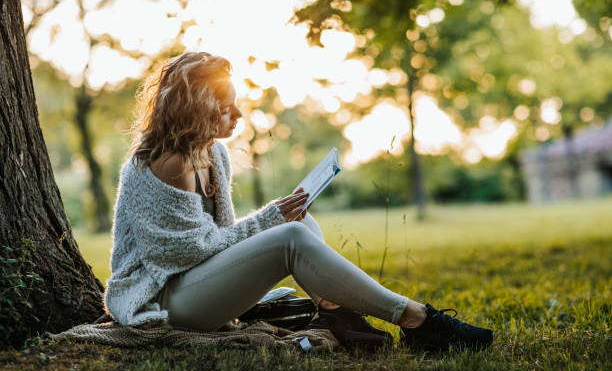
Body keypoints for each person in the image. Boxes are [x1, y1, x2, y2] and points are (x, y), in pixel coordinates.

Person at [104, 51, 494, 352]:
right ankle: (417, 320)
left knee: (300, 224)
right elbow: (183, 255)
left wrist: (273, 219)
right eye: (227, 106)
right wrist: (268, 219)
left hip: (195, 287)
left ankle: (339, 317)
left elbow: (217, 239)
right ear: (199, 107)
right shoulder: (167, 162)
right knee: (289, 233)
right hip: (165, 303)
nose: (239, 114)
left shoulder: (212, 154)